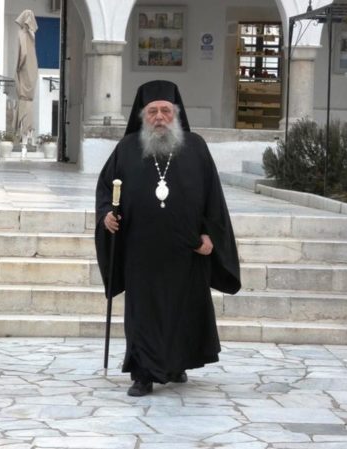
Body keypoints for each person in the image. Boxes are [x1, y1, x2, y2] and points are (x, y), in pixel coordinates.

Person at [95, 80, 241, 397]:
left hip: (187, 251)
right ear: (142, 115)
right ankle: (142, 374)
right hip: (140, 252)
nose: (159, 117)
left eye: (165, 110)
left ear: (175, 113)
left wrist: (209, 235)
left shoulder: (196, 147)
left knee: (182, 312)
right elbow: (106, 188)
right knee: (142, 314)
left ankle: (176, 363)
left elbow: (213, 197)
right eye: (152, 111)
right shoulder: (127, 148)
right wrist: (106, 215)